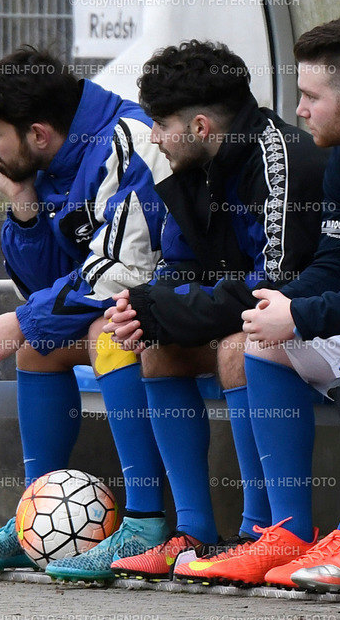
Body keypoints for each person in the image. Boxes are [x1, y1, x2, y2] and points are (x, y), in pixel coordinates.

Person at [172, 14, 340, 590]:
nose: (299, 110)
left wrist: (300, 313)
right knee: (259, 344)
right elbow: (336, 261)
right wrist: (282, 304)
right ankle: (283, 533)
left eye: (309, 96)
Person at [101, 39, 328, 581]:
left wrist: (168, 308)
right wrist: (148, 307)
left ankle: (263, 531)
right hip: (253, 316)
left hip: (312, 319)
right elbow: (178, 266)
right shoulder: (193, 165)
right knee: (155, 348)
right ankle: (193, 532)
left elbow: (276, 283)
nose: (152, 137)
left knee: (239, 346)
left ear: (201, 126)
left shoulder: (281, 161)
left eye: (160, 124)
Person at [0, 46, 172, 580]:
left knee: (103, 328)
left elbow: (122, 271)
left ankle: (145, 521)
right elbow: (46, 284)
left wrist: (23, 318)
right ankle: (34, 521)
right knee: (38, 345)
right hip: (132, 307)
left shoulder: (127, 142)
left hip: (190, 308)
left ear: (39, 134)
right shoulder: (51, 162)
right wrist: (24, 203)